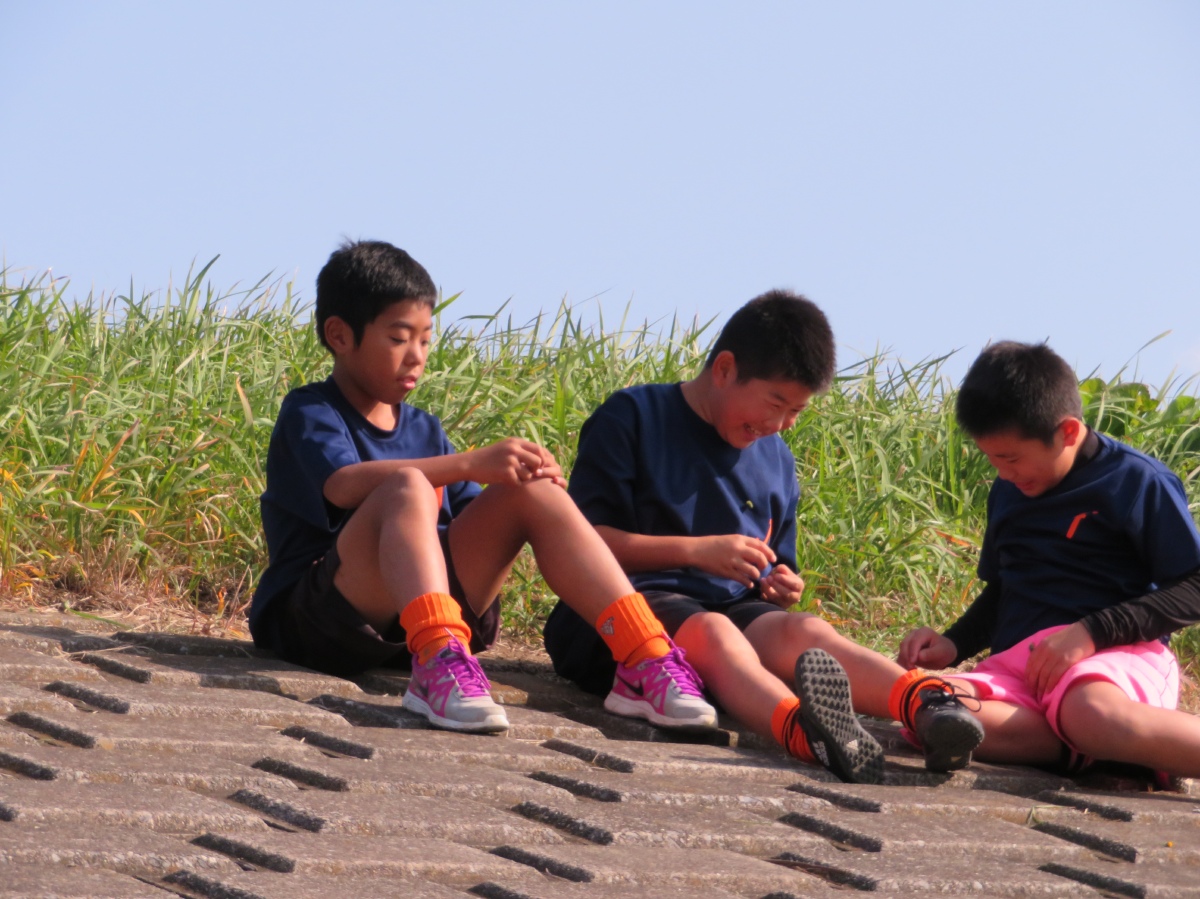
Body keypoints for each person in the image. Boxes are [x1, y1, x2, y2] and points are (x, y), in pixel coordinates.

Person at [250, 240, 717, 736]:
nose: (416, 357)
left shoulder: (425, 429)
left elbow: (471, 524)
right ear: (340, 335)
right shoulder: (312, 411)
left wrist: (524, 485)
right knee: (409, 486)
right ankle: (436, 659)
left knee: (531, 492)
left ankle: (643, 655)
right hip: (323, 623)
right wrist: (469, 462)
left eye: (426, 339)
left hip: (421, 622)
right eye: (399, 338)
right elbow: (342, 486)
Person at [543, 290, 983, 783]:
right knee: (715, 632)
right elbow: (581, 544)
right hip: (622, 618)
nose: (778, 425)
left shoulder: (776, 458)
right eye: (775, 402)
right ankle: (803, 731)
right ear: (724, 369)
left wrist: (780, 583)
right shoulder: (633, 417)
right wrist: (696, 552)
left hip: (731, 611)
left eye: (796, 411)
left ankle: (926, 703)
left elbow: (777, 566)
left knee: (805, 632)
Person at [899, 341, 1200, 777]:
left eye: (1011, 458)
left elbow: (1194, 584)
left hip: (1112, 658)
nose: (1003, 473)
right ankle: (1087, 749)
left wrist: (1091, 633)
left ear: (1068, 432)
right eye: (991, 459)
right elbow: (1005, 589)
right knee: (926, 701)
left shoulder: (1136, 481)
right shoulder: (1009, 490)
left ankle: (1098, 735)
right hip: (1022, 669)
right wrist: (954, 644)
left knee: (1090, 711)